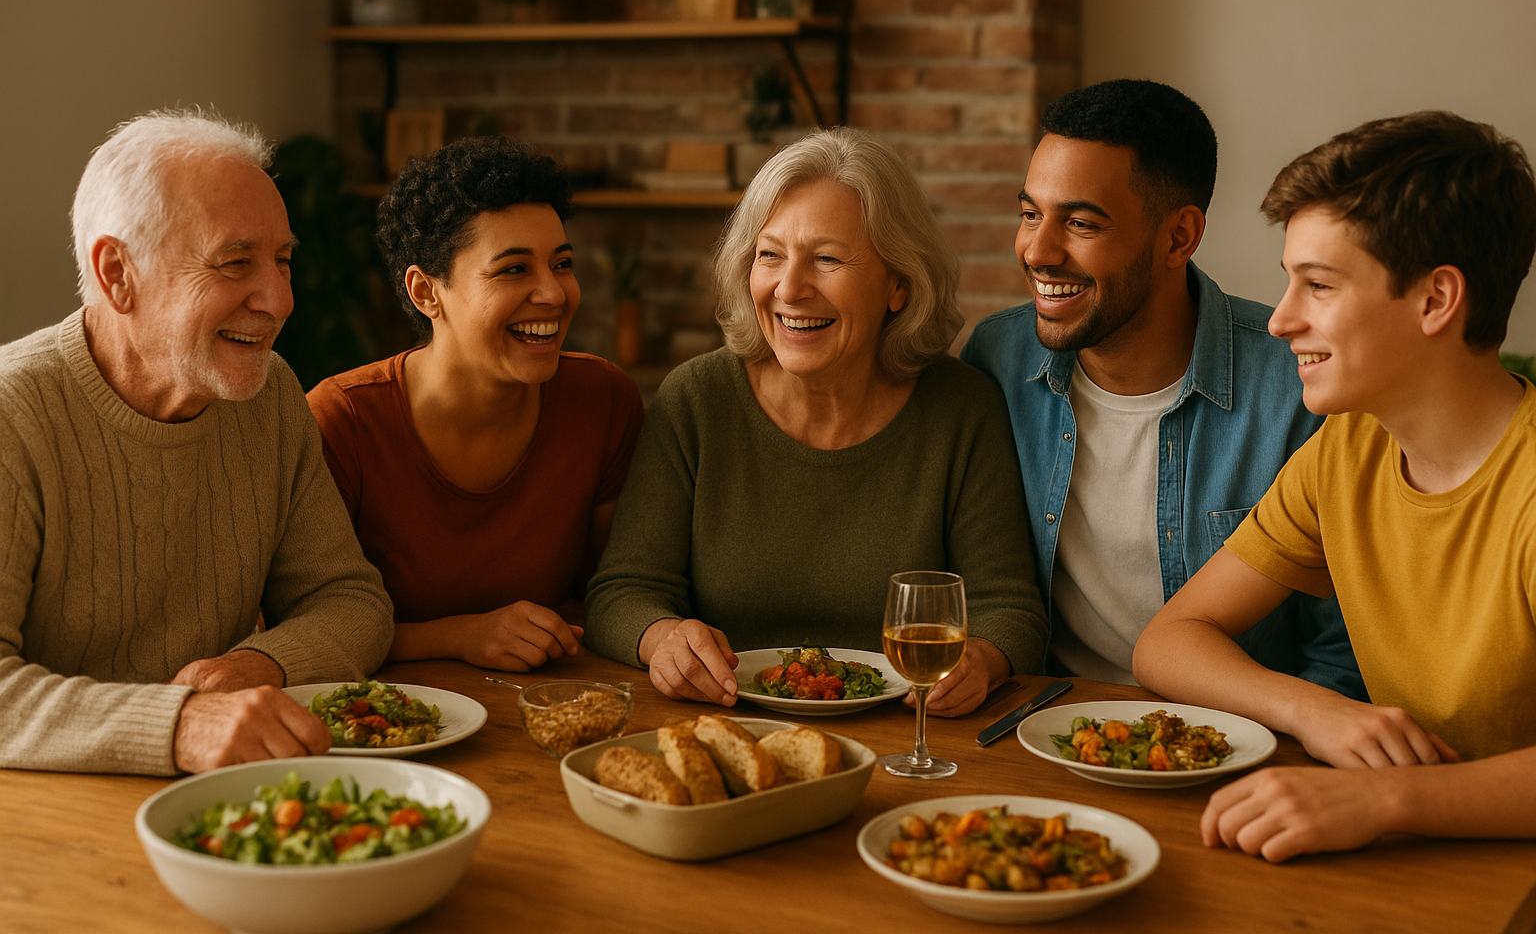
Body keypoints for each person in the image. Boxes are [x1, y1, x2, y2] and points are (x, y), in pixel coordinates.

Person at [1133, 110, 1536, 861]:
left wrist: (1383, 798)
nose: (1281, 320)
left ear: (1435, 300)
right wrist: (1315, 711)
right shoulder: (1346, 452)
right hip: (1416, 864)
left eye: (1318, 285)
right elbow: (1169, 642)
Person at [585, 128, 1047, 718]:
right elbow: (620, 592)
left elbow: (1009, 607)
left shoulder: (962, 408)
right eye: (770, 255)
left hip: (912, 739)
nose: (790, 288)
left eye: (827, 259)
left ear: (899, 284)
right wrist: (661, 638)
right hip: (724, 724)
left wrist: (982, 658)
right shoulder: (697, 400)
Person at [0, 109, 394, 776]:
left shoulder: (270, 395)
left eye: (282, 260)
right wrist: (178, 724)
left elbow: (351, 602)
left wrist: (257, 665)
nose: (279, 299)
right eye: (235, 262)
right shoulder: (14, 414)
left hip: (217, 801)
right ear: (117, 274)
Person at [961, 79, 1362, 697]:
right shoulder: (997, 358)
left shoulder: (1298, 386)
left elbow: (1343, 650)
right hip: (1042, 724)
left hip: (1245, 743)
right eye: (1030, 214)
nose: (1037, 251)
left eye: (1081, 223)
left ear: (1179, 236)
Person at [308, 137, 643, 673]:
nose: (554, 294)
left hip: (550, 698)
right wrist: (456, 636)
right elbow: (297, 625)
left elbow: (615, 590)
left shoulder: (602, 399)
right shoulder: (341, 421)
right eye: (513, 269)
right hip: (388, 719)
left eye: (561, 263)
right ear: (425, 292)